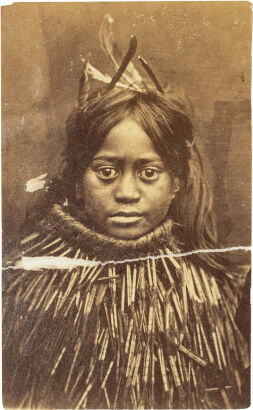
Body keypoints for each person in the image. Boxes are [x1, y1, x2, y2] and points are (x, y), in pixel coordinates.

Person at [3, 14, 249, 409]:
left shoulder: (207, 291)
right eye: (106, 171)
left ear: (176, 183)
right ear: (78, 180)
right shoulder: (27, 281)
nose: (127, 193)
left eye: (149, 173)